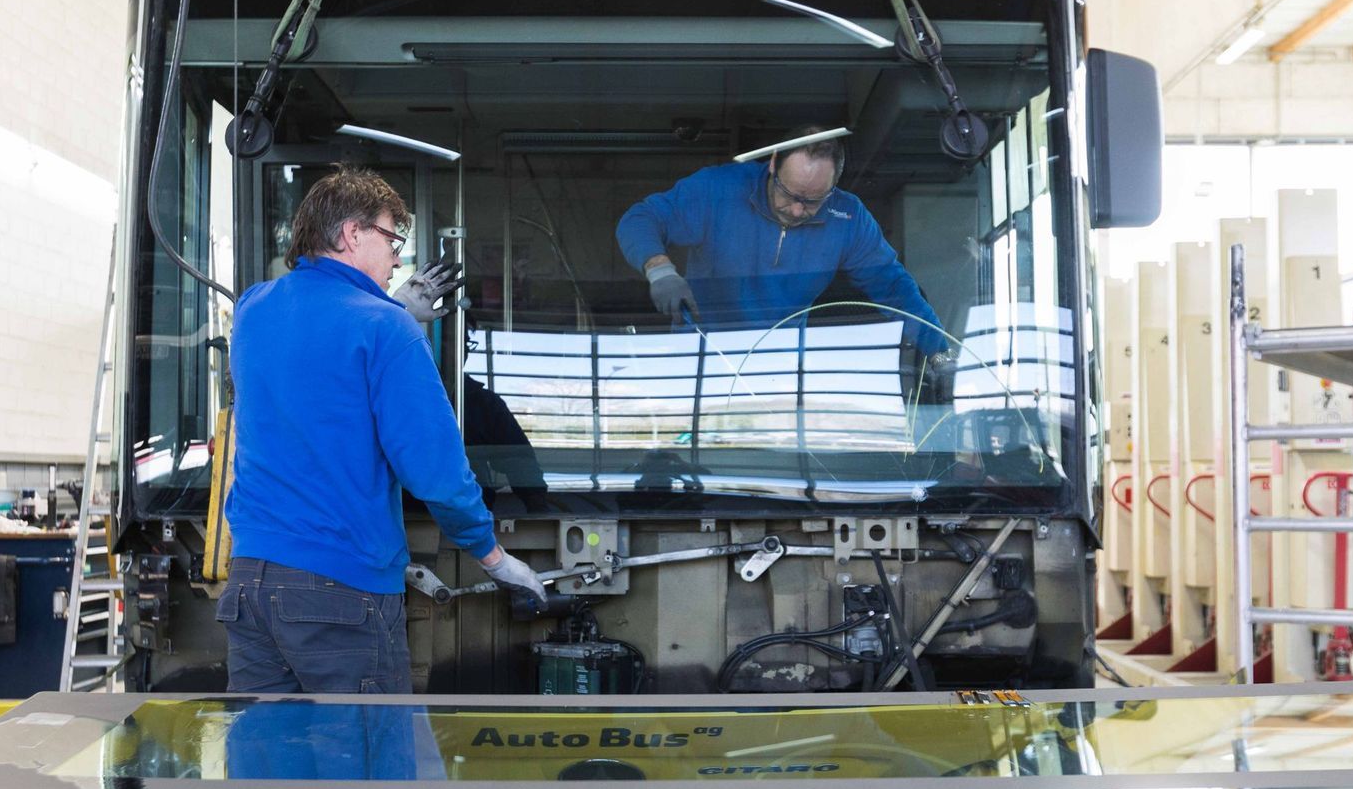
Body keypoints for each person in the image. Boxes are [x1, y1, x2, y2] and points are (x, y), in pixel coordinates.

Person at [220, 167, 545, 694]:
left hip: (251, 585)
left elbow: (317, 380)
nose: (398, 259)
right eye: (393, 240)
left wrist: (391, 309)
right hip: (339, 592)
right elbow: (435, 471)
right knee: (366, 767)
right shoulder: (385, 328)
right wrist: (494, 557)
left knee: (264, 763)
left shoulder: (253, 308)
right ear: (352, 234)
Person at [615, 128, 951, 360]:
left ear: (834, 187)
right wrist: (660, 270)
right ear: (773, 164)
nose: (795, 210)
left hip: (783, 368)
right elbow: (640, 219)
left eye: (812, 201)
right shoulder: (716, 190)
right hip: (700, 356)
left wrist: (940, 353)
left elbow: (894, 288)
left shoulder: (847, 218)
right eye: (789, 194)